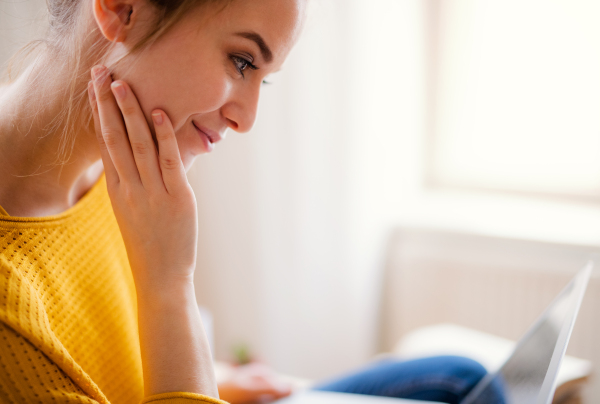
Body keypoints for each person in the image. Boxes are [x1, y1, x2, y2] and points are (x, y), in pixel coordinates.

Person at [0, 0, 494, 403]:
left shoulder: (125, 166)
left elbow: (114, 351)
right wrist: (169, 282)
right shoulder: (9, 304)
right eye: (241, 61)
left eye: (263, 76)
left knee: (462, 380)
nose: (247, 118)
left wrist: (217, 377)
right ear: (122, 8)